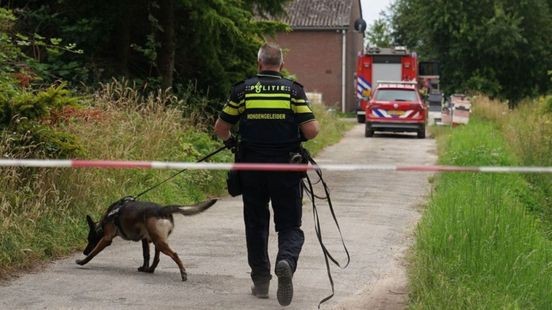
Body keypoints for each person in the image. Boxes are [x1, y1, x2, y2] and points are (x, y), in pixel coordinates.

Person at [214, 42, 319, 306]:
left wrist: (231, 142)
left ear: (259, 64)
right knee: (289, 225)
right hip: (285, 170)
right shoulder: (293, 91)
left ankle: (261, 282)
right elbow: (311, 131)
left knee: (256, 224)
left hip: (251, 170)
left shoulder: (243, 90)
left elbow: (221, 127)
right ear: (282, 66)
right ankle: (286, 261)